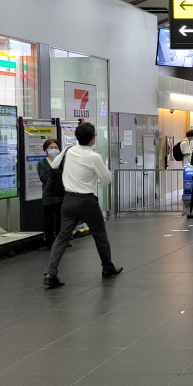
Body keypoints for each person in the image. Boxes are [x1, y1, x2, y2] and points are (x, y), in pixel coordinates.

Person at [43, 122, 122, 288]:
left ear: (76, 138)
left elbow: (54, 164)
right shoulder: (94, 157)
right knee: (100, 235)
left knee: (62, 237)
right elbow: (106, 180)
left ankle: (51, 272)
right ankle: (107, 267)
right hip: (87, 201)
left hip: (68, 201)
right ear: (92, 140)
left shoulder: (68, 151)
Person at [37, 138, 65, 248]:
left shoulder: (62, 162)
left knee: (60, 218)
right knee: (49, 219)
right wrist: (52, 169)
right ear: (46, 150)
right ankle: (49, 240)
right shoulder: (42, 163)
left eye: (56, 147)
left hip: (61, 194)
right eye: (51, 148)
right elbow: (43, 178)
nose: (54, 149)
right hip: (49, 195)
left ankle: (60, 240)